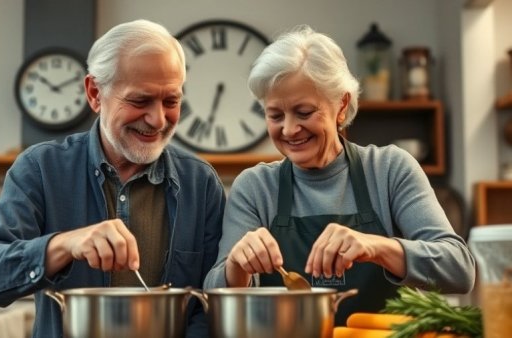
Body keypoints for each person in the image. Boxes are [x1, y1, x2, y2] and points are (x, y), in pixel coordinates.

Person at [0, 19, 225, 338]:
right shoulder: (40, 168)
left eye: (171, 101)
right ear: (95, 93)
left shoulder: (202, 183)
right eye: (140, 101)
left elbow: (208, 307)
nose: (157, 120)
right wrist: (63, 245)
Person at [203, 25, 475, 325]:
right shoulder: (255, 188)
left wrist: (376, 247)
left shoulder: (389, 170)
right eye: (275, 115)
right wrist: (237, 267)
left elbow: (459, 269)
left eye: (304, 112)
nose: (290, 129)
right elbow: (213, 299)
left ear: (341, 106)